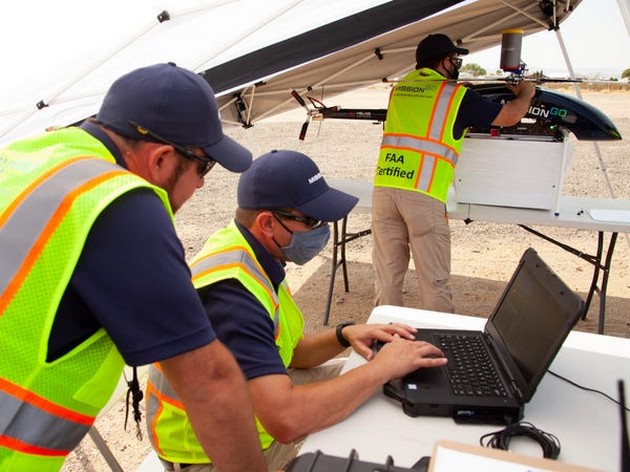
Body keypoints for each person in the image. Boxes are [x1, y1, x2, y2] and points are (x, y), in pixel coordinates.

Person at [0, 63, 267, 472]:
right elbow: (209, 382)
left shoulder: (29, 154)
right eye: (203, 167)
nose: (200, 185)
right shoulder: (117, 202)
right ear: (161, 159)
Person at [145, 150, 448, 471]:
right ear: (267, 223)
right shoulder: (232, 294)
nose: (323, 231)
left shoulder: (253, 252)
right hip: (211, 456)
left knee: (387, 391)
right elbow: (286, 421)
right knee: (378, 420)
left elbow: (293, 354)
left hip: (257, 412)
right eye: (311, 220)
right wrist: (381, 369)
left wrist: (344, 335)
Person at [371, 33, 536, 312]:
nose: (457, 63)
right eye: (455, 59)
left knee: (387, 278)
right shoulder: (456, 96)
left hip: (384, 189)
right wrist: (526, 93)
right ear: (445, 61)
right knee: (433, 281)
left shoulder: (399, 90)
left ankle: (383, 343)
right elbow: (508, 116)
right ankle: (439, 347)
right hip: (423, 193)